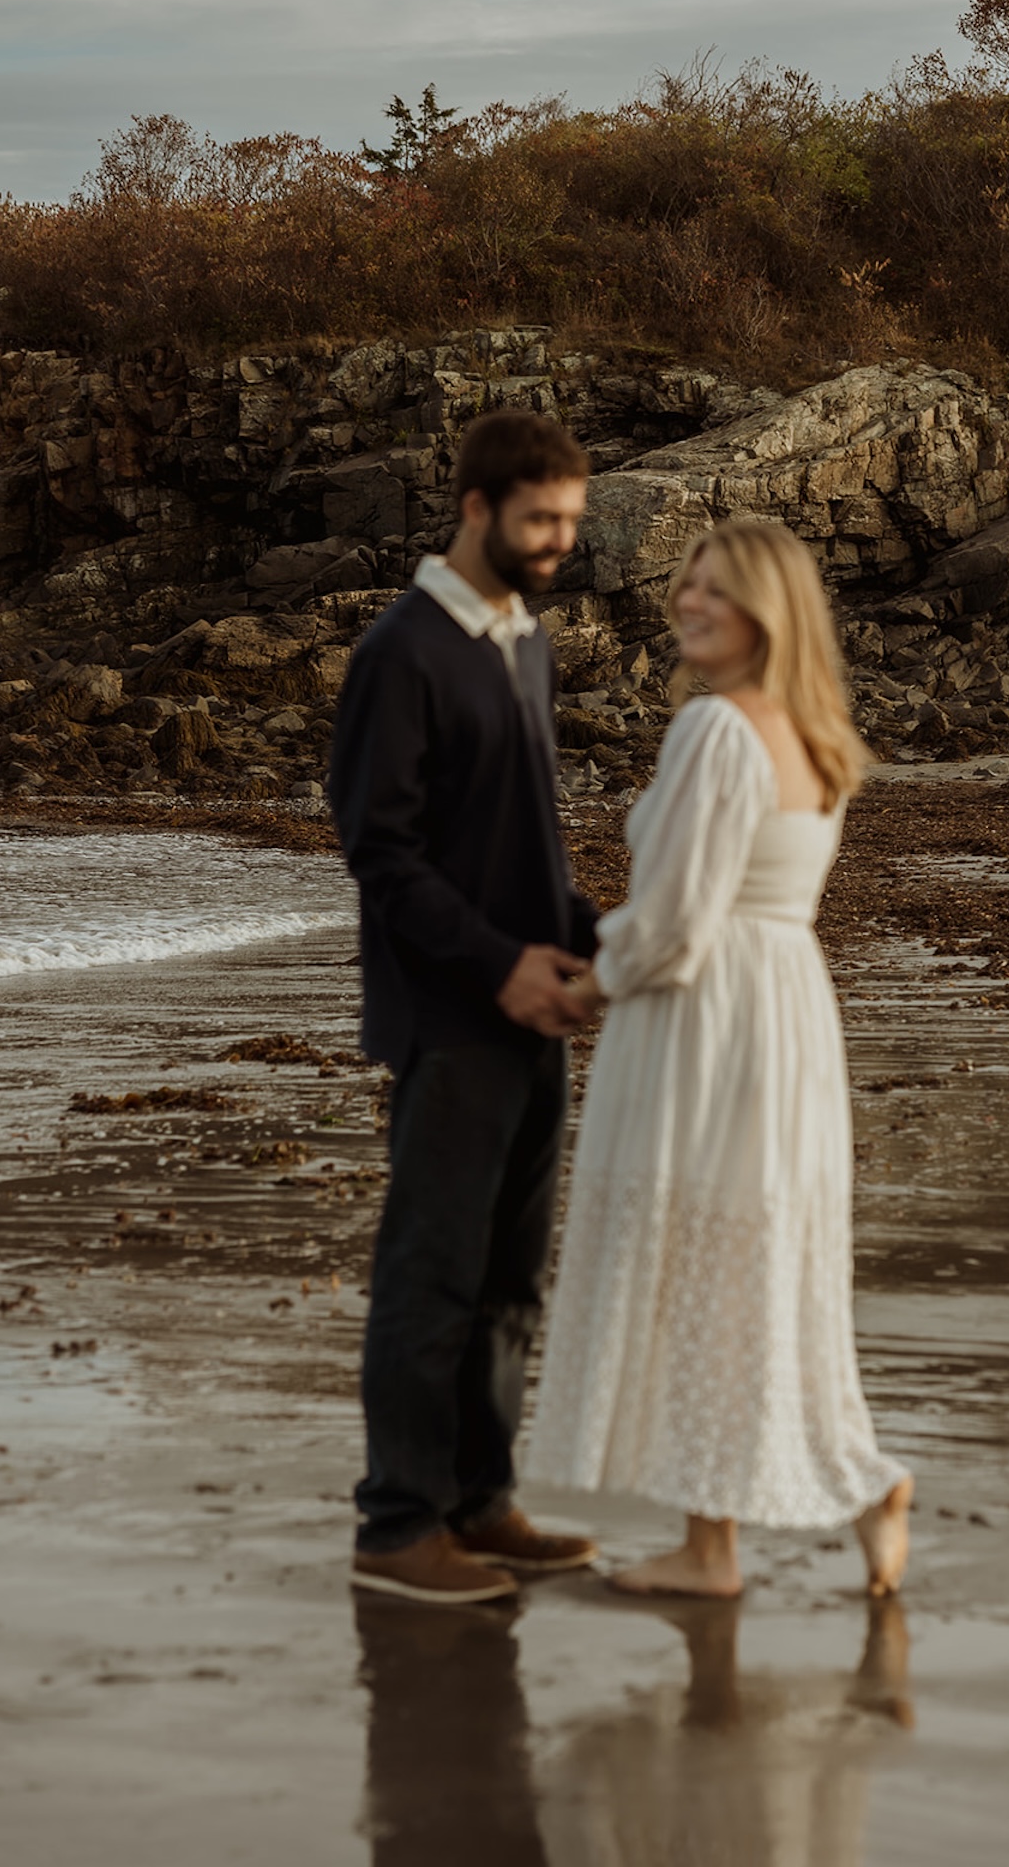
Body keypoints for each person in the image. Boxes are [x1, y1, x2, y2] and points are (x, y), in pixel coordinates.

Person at [526, 518, 913, 1599]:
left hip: (704, 1018)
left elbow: (676, 921)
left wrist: (585, 985)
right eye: (686, 585)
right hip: (784, 1012)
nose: (687, 603)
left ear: (766, 611)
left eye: (716, 590)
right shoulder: (816, 735)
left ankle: (721, 1545)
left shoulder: (716, 732)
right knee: (757, 1271)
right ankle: (833, 1492)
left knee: (698, 1261)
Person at [329, 409, 600, 1605]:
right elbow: (378, 853)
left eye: (571, 521)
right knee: (429, 1278)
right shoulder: (404, 652)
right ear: (478, 509)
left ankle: (480, 1505)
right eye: (540, 519)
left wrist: (592, 950)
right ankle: (398, 1528)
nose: (558, 541)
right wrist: (499, 965)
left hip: (533, 1008)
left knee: (508, 1281)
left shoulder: (521, 641)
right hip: (451, 1018)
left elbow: (521, 843)